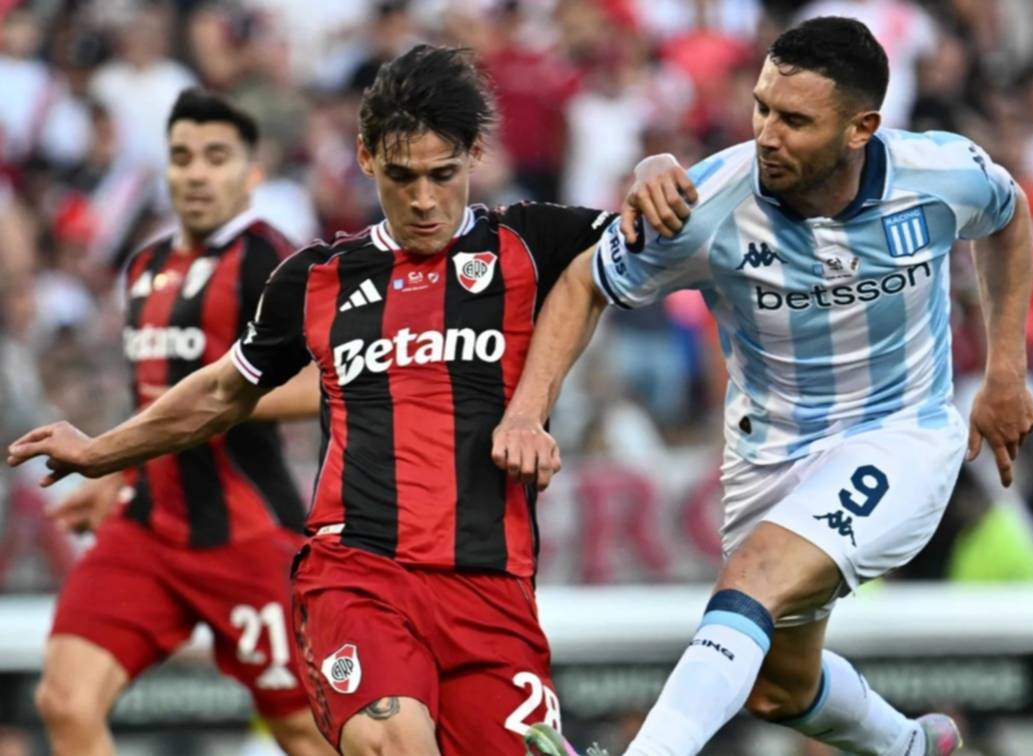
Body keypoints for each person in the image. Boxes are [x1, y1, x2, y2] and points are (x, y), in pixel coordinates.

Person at [9, 47, 687, 756]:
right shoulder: (313, 279)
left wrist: (654, 166)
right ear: (365, 157)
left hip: (493, 587)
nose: (422, 199)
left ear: (475, 154)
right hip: (359, 574)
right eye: (400, 176)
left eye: (442, 174)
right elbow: (221, 391)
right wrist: (102, 451)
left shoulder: (532, 240)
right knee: (393, 741)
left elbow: (628, 244)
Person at [495, 16, 1033, 756]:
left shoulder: (941, 174)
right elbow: (584, 282)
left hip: (900, 434)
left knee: (752, 579)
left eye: (794, 121)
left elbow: (1008, 216)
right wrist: (528, 414)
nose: (766, 136)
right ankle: (909, 747)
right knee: (778, 687)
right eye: (761, 108)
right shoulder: (709, 204)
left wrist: (1005, 372)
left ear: (861, 128)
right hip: (768, 456)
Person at [27, 89, 331, 756]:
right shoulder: (143, 266)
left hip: (248, 534)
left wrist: (221, 399)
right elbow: (150, 395)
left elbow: (331, 377)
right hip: (146, 529)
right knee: (65, 701)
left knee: (305, 733)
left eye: (216, 157)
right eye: (183, 157)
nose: (196, 173)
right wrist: (116, 473)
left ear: (251, 172)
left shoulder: (272, 263)